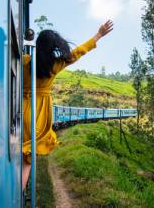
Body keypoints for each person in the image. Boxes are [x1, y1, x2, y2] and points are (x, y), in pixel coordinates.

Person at [21, 20, 114, 189]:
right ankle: (17, 198)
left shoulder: (24, 61)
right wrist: (98, 35)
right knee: (26, 160)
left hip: (20, 108)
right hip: (38, 112)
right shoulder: (55, 65)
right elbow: (78, 52)